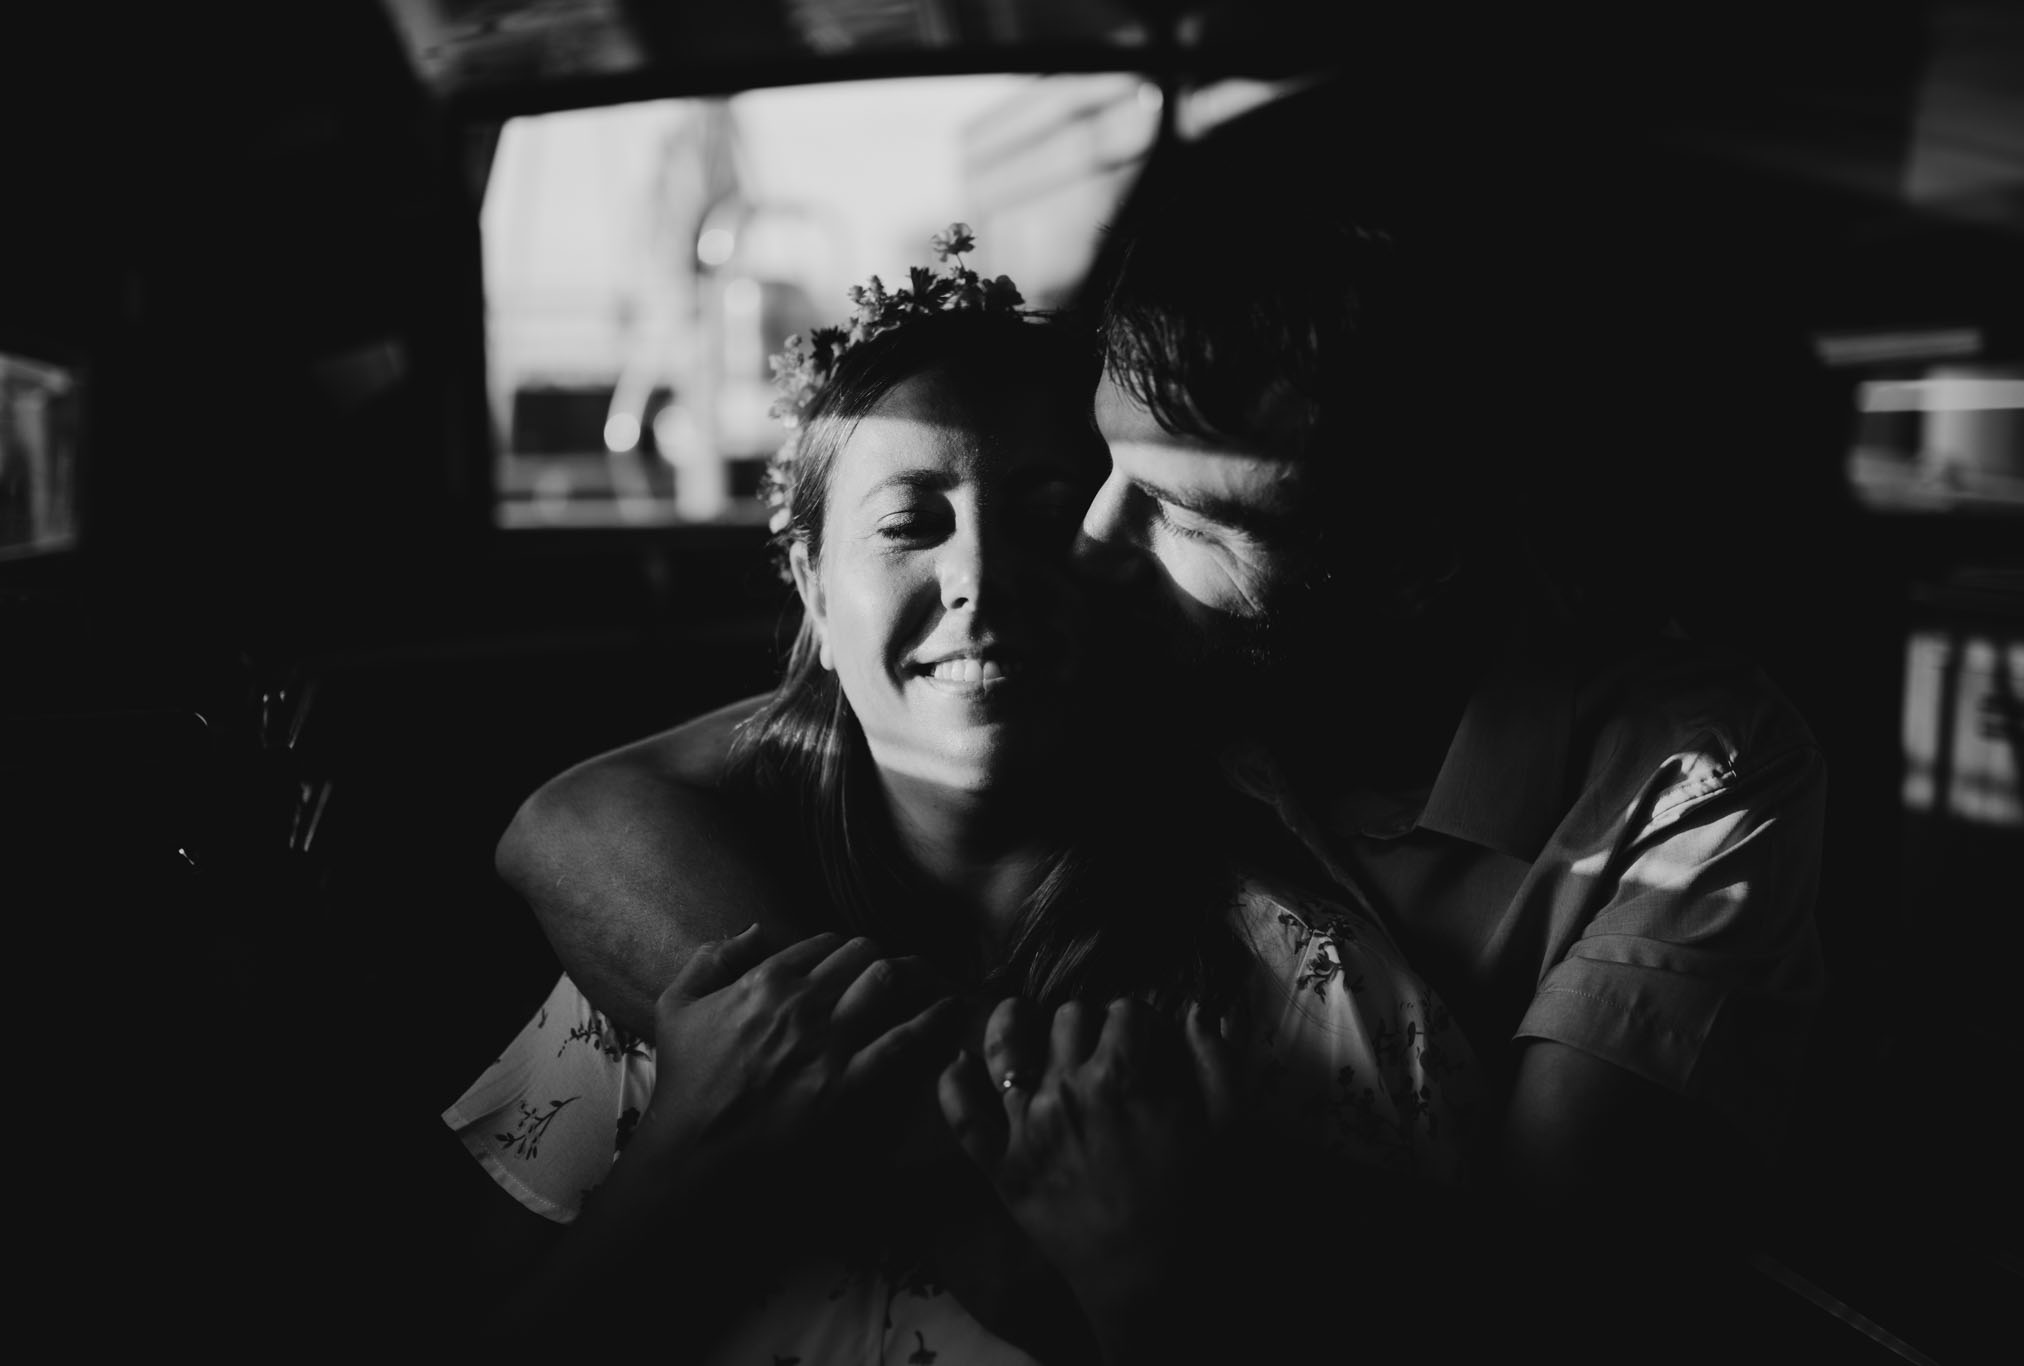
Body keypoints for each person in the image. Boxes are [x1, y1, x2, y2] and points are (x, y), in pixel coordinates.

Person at [499, 124, 1829, 1352]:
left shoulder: (1663, 792)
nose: (1074, 554)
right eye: (1102, 470)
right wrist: (870, 1144)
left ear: (1406, 564)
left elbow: (1557, 1294)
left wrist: (1153, 1274)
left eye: (1182, 516)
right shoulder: (763, 936)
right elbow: (578, 818)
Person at [447, 233, 1487, 1362]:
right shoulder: (662, 965)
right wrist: (688, 1156)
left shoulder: (1310, 993)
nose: (980, 577)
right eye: (909, 523)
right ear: (809, 582)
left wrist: (1153, 1294)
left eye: (1046, 512)